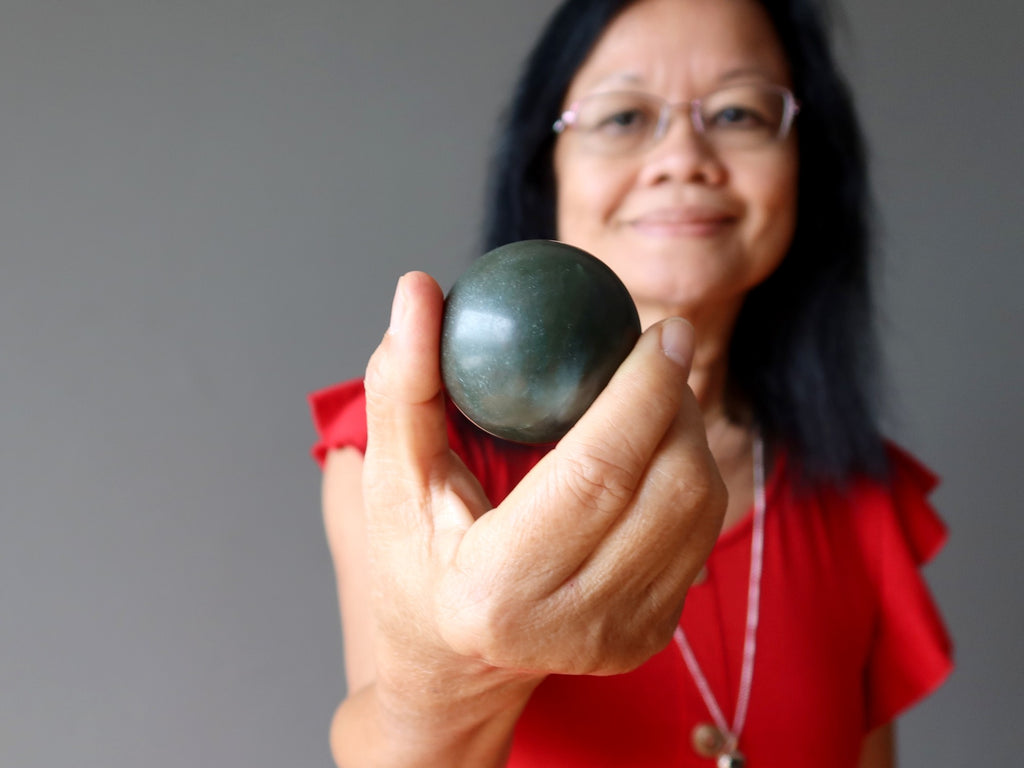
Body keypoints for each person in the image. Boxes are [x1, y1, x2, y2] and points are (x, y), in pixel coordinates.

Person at [308, 0, 953, 765]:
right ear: (545, 169)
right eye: (621, 117)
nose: (683, 155)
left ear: (807, 167)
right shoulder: (420, 464)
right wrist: (451, 678)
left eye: (739, 112)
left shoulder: (860, 502)